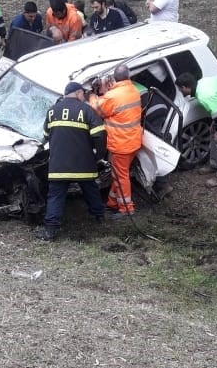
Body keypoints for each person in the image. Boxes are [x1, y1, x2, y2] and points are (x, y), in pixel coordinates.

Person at [37, 81, 107, 241]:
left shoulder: (52, 111)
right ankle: (99, 217)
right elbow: (99, 135)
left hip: (59, 165)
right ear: (78, 93)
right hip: (84, 164)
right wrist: (99, 155)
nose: (84, 96)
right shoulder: (87, 110)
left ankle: (50, 230)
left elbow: (46, 136)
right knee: (91, 189)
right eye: (83, 93)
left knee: (55, 195)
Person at [89, 63, 142, 219]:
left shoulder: (113, 96)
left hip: (121, 144)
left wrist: (91, 95)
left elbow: (96, 108)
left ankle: (126, 209)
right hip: (133, 141)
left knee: (121, 176)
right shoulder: (133, 90)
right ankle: (113, 202)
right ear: (128, 76)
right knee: (118, 174)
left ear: (113, 78)